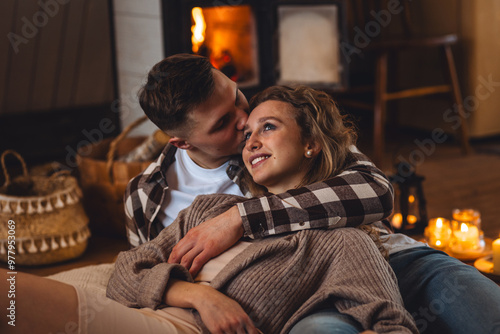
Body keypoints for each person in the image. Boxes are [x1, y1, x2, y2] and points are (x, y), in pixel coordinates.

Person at [128, 54, 500, 334]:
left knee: (481, 306)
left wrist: (239, 220)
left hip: (394, 258)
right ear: (182, 142)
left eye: (237, 97)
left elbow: (375, 191)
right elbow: (144, 278)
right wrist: (199, 296)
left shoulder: (281, 123)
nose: (245, 123)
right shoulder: (147, 198)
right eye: (223, 123)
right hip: (304, 297)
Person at [0, 85, 417, 334]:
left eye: (267, 127)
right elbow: (125, 272)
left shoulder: (339, 241)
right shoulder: (210, 210)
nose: (247, 136)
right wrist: (200, 296)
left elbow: (392, 323)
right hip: (147, 314)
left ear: (311, 144)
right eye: (245, 131)